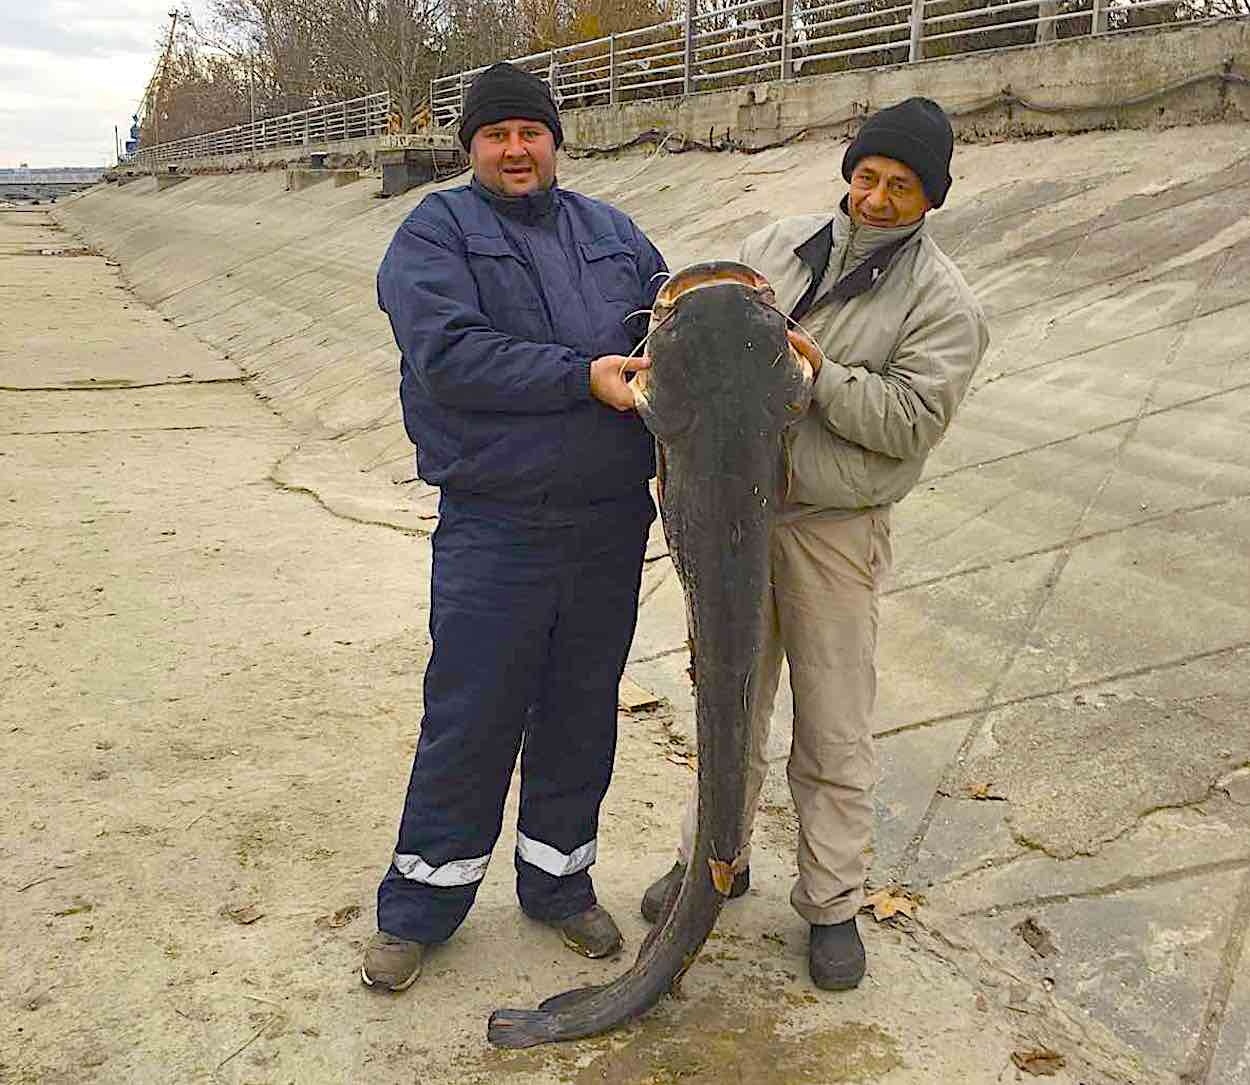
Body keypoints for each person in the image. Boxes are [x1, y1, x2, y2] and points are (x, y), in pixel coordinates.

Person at [640, 97, 989, 992]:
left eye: (901, 186)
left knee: (832, 725)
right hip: (730, 516)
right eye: (867, 176)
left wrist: (819, 375)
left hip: (834, 530)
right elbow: (684, 341)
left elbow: (911, 420)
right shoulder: (771, 250)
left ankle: (831, 901)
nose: (876, 197)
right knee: (726, 697)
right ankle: (716, 856)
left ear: (930, 198)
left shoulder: (944, 303)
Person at [362, 62, 667, 993]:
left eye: (530, 132)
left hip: (609, 524)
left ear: (555, 139)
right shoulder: (434, 233)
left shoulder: (614, 235)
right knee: (472, 714)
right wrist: (583, 377)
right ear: (471, 149)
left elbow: (667, 328)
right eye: (495, 135)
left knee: (582, 711)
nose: (515, 149)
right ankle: (420, 906)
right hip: (496, 526)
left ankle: (560, 882)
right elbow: (451, 357)